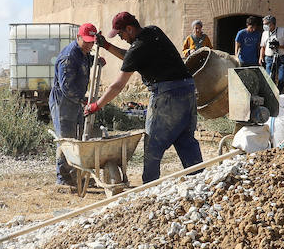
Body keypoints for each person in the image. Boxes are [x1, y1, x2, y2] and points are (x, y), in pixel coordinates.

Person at [84, 11, 203, 184]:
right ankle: (199, 182)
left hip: (167, 95)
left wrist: (96, 105)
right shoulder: (153, 31)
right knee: (185, 140)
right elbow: (133, 57)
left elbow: (118, 85)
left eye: (121, 34)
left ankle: (149, 187)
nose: (121, 38)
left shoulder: (137, 48)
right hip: (188, 89)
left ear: (130, 29)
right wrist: (108, 46)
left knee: (153, 145)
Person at [49, 22, 102, 187]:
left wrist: (95, 60)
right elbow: (67, 88)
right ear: (77, 37)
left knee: (77, 138)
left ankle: (77, 175)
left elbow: (84, 62)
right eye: (86, 41)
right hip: (63, 102)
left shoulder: (83, 52)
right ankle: (64, 180)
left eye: (92, 42)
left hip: (76, 100)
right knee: (66, 141)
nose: (89, 45)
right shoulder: (69, 57)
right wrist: (83, 100)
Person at [260, 14, 284, 91]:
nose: (265, 26)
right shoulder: (264, 33)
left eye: (266, 24)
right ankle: (273, 93)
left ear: (272, 24)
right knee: (270, 78)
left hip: (281, 57)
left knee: (282, 77)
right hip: (269, 58)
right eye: (264, 24)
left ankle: (279, 91)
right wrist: (261, 57)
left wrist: (279, 46)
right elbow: (262, 46)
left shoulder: (282, 31)